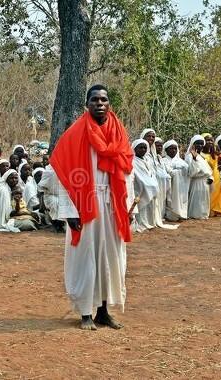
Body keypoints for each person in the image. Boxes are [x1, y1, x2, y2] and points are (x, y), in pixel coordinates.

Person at [50, 84, 133, 330]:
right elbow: (62, 173)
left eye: (104, 100)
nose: (99, 103)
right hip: (84, 204)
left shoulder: (118, 133)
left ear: (109, 104)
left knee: (109, 256)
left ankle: (104, 311)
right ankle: (85, 312)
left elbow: (127, 171)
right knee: (86, 257)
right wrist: (68, 211)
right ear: (87, 104)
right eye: (94, 99)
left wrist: (129, 208)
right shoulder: (76, 133)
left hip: (112, 205)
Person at [130, 139, 158, 232]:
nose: (143, 150)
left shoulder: (147, 160)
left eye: (145, 148)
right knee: (141, 208)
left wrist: (153, 183)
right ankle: (142, 223)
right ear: (134, 149)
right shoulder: (133, 161)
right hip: (139, 188)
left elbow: (152, 173)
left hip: (150, 186)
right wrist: (147, 184)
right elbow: (137, 175)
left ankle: (150, 223)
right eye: (140, 148)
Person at [203, 134, 221, 217]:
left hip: (217, 176)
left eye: (211, 140)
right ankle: (208, 210)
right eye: (207, 140)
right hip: (206, 177)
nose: (209, 142)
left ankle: (218, 209)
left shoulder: (215, 153)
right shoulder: (200, 154)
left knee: (218, 193)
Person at [185, 135, 213, 220]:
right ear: (193, 144)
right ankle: (195, 215)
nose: (200, 146)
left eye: (201, 144)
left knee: (204, 201)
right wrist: (194, 159)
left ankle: (203, 214)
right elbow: (192, 172)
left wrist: (211, 178)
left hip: (205, 182)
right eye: (197, 144)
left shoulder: (201, 156)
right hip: (197, 182)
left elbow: (208, 170)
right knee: (197, 200)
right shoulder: (189, 156)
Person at [161, 140, 189, 222]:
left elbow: (186, 170)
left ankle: (180, 214)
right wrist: (177, 170)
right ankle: (170, 215)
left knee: (179, 199)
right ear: (166, 150)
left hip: (180, 186)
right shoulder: (163, 161)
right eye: (171, 148)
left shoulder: (180, 161)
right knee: (169, 200)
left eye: (175, 148)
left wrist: (176, 169)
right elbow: (168, 171)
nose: (173, 150)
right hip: (169, 184)